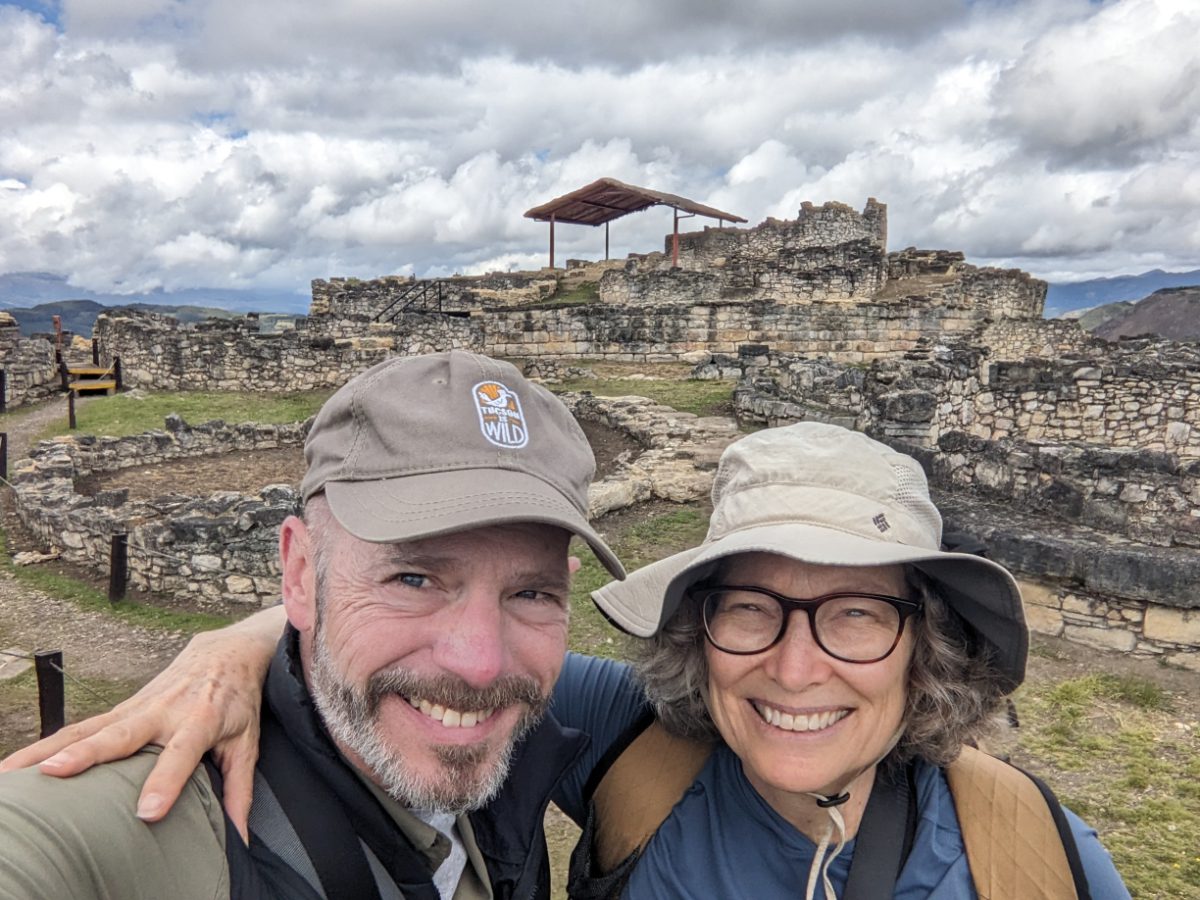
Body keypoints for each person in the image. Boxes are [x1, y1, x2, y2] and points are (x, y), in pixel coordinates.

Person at [3, 424, 1131, 899]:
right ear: (697, 632)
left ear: (922, 642)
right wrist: (250, 637)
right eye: (750, 610)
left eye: (853, 616)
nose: (794, 670)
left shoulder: (1035, 857)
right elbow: (448, 670)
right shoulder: (646, 745)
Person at [0, 349, 626, 900]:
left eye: (532, 591)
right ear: (300, 573)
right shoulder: (141, 826)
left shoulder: (534, 734)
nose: (480, 662)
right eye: (412, 579)